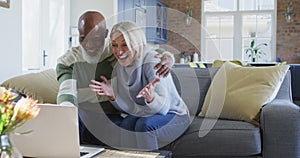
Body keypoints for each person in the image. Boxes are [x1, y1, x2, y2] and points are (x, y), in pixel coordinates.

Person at [56, 11, 175, 146]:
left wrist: (167, 56)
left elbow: (141, 51)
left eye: (95, 39)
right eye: (83, 38)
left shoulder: (115, 51)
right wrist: (65, 115)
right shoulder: (68, 61)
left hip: (112, 114)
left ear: (105, 35)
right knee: (75, 124)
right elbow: (67, 93)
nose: (89, 45)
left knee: (124, 128)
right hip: (83, 114)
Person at [89, 21, 190, 150]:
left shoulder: (152, 61)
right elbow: (131, 109)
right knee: (126, 124)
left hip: (175, 115)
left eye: (125, 45)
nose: (118, 51)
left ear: (136, 44)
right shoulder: (120, 66)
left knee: (144, 126)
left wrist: (151, 98)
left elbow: (164, 108)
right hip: (147, 113)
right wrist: (113, 95)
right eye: (114, 45)